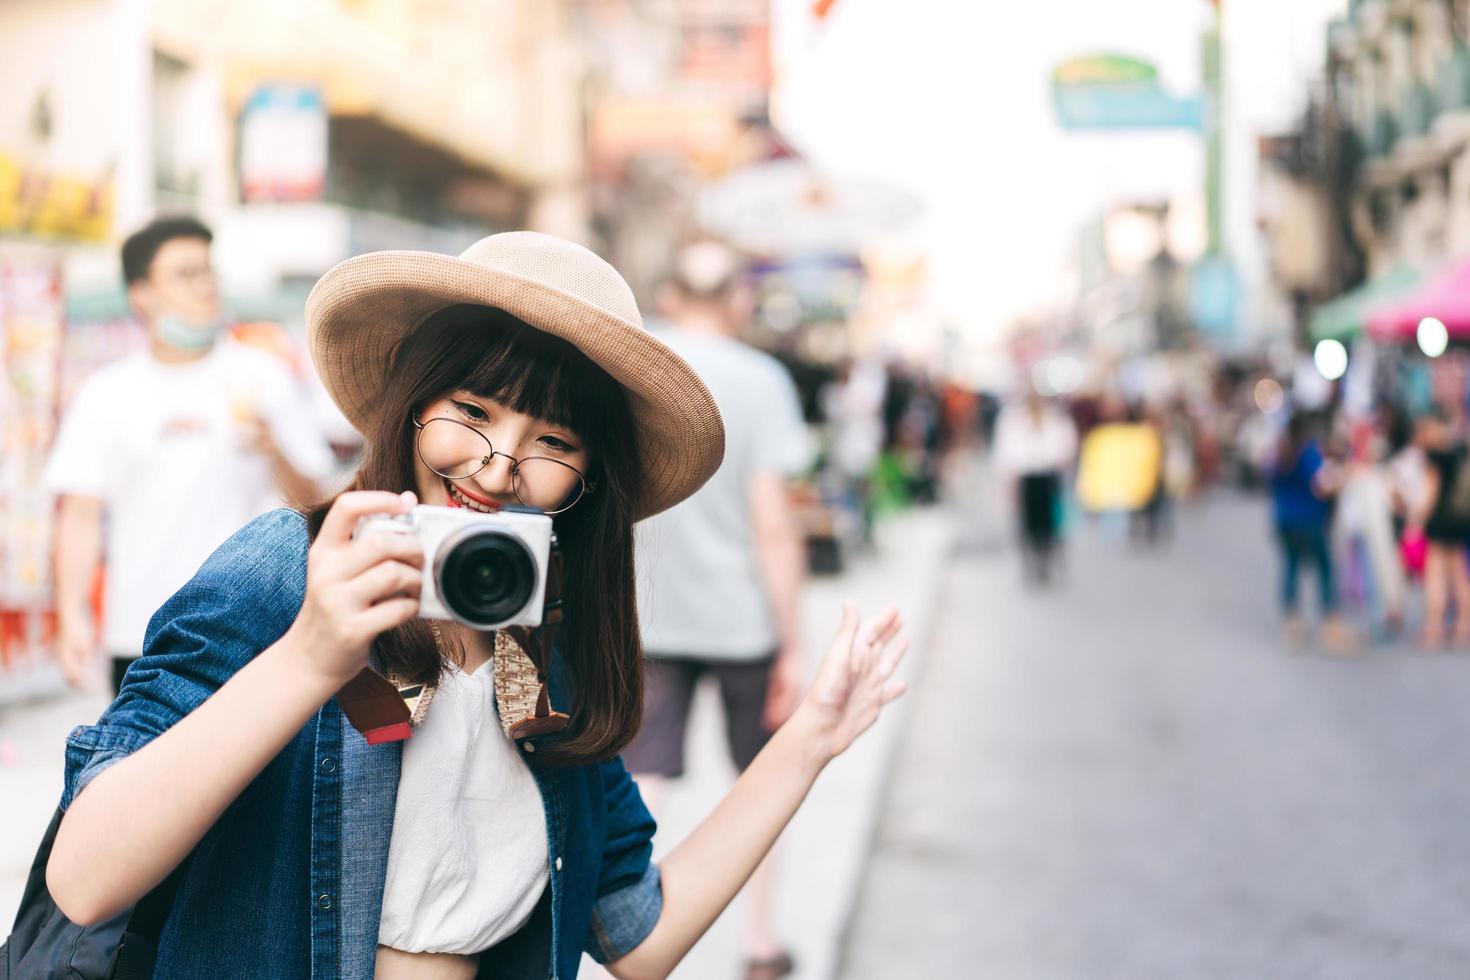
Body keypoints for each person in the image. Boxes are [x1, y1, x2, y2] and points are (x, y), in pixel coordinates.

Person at [42, 232, 908, 980]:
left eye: (554, 441)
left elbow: (639, 939)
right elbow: (85, 878)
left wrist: (810, 742)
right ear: (412, 403)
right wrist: (311, 657)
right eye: (472, 410)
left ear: (589, 480)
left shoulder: (543, 656)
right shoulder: (289, 572)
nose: (498, 468)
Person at [44, 216, 334, 694]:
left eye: (207, 271)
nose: (205, 284)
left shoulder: (263, 377)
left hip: (253, 627)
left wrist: (272, 449)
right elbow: (79, 516)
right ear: (142, 295)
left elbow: (315, 500)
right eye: (184, 274)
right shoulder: (106, 393)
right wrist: (71, 615)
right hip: (141, 634)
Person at [624, 241, 812, 980]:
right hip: (742, 620)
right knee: (757, 782)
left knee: (642, 780)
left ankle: (627, 927)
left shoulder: (643, 369)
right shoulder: (762, 380)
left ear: (668, 294)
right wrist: (793, 642)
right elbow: (774, 522)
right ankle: (760, 944)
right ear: (737, 299)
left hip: (646, 613)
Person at [1268, 413, 1354, 651]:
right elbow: (1322, 484)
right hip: (1308, 520)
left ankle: (1292, 620)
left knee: (1291, 566)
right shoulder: (1307, 453)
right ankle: (1329, 619)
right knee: (1325, 568)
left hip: (1284, 520)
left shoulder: (1280, 453)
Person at [991, 390, 1077, 584]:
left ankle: (1045, 556)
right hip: (1027, 477)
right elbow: (1007, 453)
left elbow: (1065, 447)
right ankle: (1033, 558)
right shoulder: (1014, 422)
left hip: (1047, 476)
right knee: (1028, 522)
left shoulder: (1054, 420)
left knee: (1049, 522)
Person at [1413, 411, 1470, 649]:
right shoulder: (1459, 453)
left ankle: (1434, 626)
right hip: (1459, 520)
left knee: (1435, 575)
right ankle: (1463, 625)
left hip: (1439, 521)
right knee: (1459, 575)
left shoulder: (1435, 458)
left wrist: (1417, 520)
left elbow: (1431, 493)